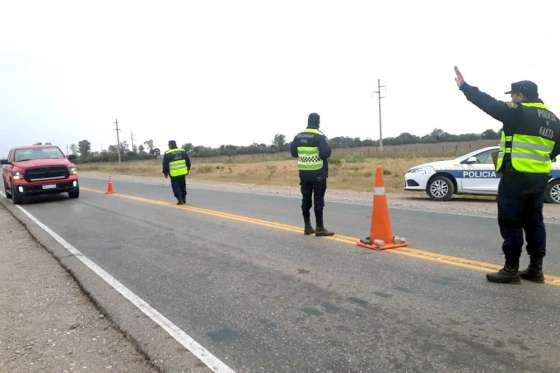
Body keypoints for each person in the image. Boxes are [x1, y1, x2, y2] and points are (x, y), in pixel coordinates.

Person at [455, 66, 560, 284]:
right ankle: (535, 269)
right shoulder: (553, 119)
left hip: (516, 175)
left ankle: (511, 269)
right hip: (540, 177)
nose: (512, 98)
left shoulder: (519, 112)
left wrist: (465, 87)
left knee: (510, 220)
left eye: (513, 94)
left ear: (521, 95)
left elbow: (488, 104)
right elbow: (556, 149)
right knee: (534, 221)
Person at [290, 113, 335, 237]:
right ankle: (320, 228)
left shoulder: (298, 136)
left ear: (308, 121)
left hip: (304, 174)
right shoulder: (319, 136)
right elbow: (325, 154)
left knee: (306, 199)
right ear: (318, 122)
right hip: (318, 174)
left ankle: (307, 226)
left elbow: (294, 153)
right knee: (318, 200)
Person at [162, 140, 191, 205]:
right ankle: (184, 199)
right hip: (182, 172)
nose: (168, 146)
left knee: (176, 186)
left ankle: (180, 199)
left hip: (174, 173)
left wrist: (165, 173)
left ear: (170, 145)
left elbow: (165, 164)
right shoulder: (182, 151)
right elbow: (188, 161)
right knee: (183, 185)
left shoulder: (167, 153)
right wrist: (188, 170)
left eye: (168, 145)